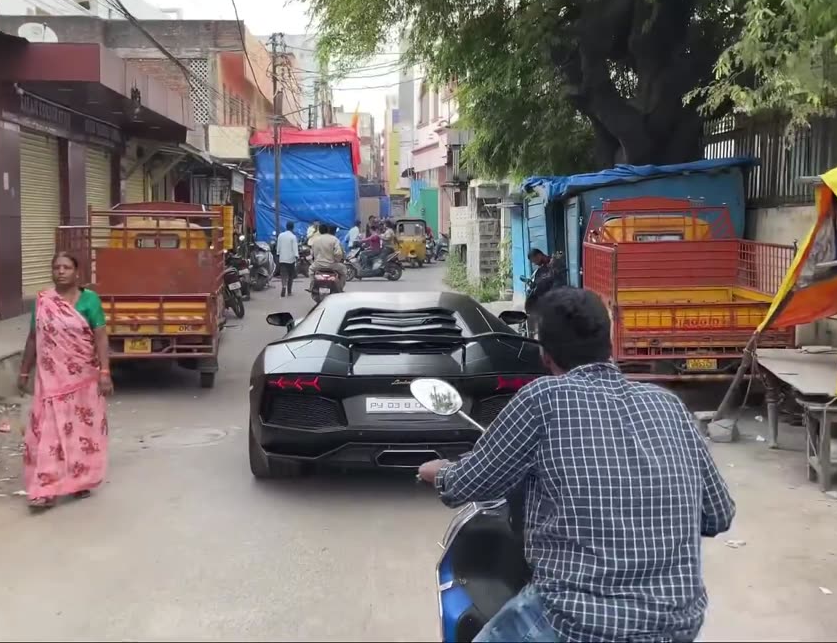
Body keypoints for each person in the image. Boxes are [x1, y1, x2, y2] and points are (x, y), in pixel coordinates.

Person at [417, 287, 735, 643]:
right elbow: (718, 515)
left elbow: (468, 483)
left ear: (546, 355)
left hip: (578, 620)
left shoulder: (543, 400)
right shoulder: (668, 405)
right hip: (677, 621)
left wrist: (440, 472)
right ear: (608, 341)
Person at [17, 251, 114, 512]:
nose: (60, 271)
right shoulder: (43, 301)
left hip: (84, 378)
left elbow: (100, 337)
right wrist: (24, 371)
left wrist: (105, 372)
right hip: (50, 380)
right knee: (49, 429)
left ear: (76, 272)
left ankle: (80, 479)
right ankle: (45, 488)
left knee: (81, 430)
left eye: (66, 267)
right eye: (56, 267)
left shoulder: (89, 300)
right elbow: (32, 337)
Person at [308, 222, 347, 290]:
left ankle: (312, 286)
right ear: (327, 230)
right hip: (331, 265)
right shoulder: (334, 239)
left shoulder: (315, 240)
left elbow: (312, 254)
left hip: (318, 265)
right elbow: (339, 253)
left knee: (310, 270)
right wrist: (337, 260)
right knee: (344, 270)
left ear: (319, 231)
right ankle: (340, 288)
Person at [276, 221, 299, 297]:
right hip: (291, 259)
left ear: (286, 227)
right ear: (292, 228)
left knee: (283, 274)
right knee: (290, 275)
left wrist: (278, 253)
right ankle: (289, 291)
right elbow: (295, 248)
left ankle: (283, 286)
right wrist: (296, 256)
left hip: (282, 258)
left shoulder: (280, 235)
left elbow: (278, 247)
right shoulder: (293, 236)